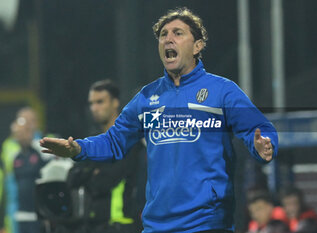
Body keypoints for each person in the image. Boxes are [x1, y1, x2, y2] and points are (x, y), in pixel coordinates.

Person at [40, 7, 278, 233]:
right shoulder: (146, 98)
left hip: (207, 223)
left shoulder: (221, 91)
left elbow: (259, 128)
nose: (168, 39)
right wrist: (78, 149)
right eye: (163, 35)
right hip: (158, 226)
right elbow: (113, 142)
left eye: (178, 33)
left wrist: (264, 144)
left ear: (197, 46)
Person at [63, 80, 145, 233]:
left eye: (100, 102)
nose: (94, 108)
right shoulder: (92, 141)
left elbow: (104, 182)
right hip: (92, 225)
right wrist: (91, 173)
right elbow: (71, 178)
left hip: (121, 226)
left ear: (115, 102)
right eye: (92, 103)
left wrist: (88, 172)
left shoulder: (130, 140)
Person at [12, 117, 47, 233]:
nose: (22, 136)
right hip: (22, 212)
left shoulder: (41, 152)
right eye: (19, 133)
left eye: (26, 131)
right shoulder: (16, 158)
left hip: (38, 213)